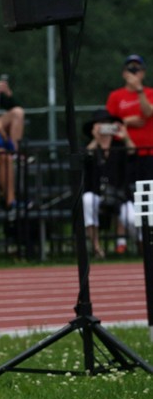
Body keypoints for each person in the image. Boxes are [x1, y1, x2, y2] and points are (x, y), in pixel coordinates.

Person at [82, 109, 137, 258]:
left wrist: (125, 137)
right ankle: (96, 247)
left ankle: (142, 246)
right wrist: (96, 140)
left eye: (107, 124)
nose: (105, 127)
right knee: (87, 200)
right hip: (97, 193)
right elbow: (83, 159)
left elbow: (133, 154)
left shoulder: (119, 146)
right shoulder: (90, 147)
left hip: (120, 194)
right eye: (101, 124)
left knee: (133, 219)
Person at [105, 54, 153, 183]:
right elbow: (107, 126)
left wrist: (139, 90)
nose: (134, 73)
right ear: (124, 73)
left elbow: (148, 112)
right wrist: (126, 121)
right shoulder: (115, 96)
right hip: (123, 151)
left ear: (143, 73)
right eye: (130, 70)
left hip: (148, 151)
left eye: (137, 70)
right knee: (125, 189)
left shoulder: (150, 93)